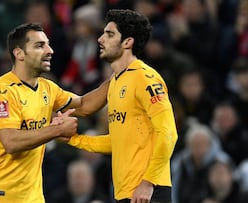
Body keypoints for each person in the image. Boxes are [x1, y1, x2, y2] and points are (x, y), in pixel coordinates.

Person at [0, 23, 109, 203]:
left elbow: (84, 104)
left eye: (48, 44)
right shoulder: (2, 91)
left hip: (32, 196)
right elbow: (11, 142)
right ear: (19, 53)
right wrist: (57, 130)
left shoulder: (47, 88)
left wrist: (119, 76)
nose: (49, 50)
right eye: (39, 46)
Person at [63, 9, 178, 203]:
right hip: (125, 192)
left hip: (148, 192)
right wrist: (73, 139)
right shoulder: (115, 82)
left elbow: (168, 133)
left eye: (109, 34)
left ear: (127, 42)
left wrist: (148, 183)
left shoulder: (145, 78)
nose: (100, 39)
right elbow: (119, 140)